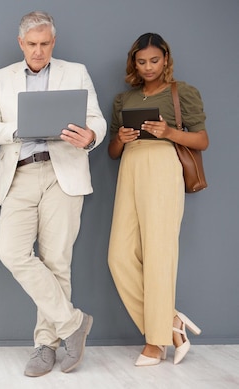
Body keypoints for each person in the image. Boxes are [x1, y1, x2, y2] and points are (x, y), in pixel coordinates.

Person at [0, 11, 106, 377]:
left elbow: (96, 119)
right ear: (21, 43)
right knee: (11, 252)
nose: (38, 51)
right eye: (31, 44)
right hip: (20, 172)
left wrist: (91, 136)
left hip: (63, 170)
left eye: (45, 44)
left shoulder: (75, 71)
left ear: (53, 42)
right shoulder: (0, 78)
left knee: (57, 261)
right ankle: (73, 324)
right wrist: (19, 130)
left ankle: (46, 347)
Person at [107, 33, 207, 366]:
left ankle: (155, 342)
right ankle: (170, 322)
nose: (148, 67)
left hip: (164, 167)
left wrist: (169, 133)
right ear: (133, 63)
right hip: (130, 166)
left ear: (165, 59)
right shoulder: (124, 100)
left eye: (154, 60)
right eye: (141, 61)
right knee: (119, 256)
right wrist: (121, 139)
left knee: (159, 254)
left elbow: (202, 140)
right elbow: (112, 152)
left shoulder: (183, 93)